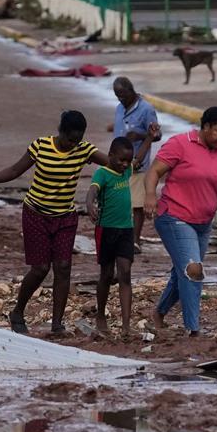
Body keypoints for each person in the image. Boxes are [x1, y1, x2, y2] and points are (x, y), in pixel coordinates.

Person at [0, 110, 107, 336]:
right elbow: (15, 170)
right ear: (60, 132)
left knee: (63, 267)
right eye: (70, 139)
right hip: (35, 214)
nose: (73, 144)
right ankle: (18, 311)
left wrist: (132, 155)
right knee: (41, 268)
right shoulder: (40, 146)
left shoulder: (84, 150)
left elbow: (113, 163)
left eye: (78, 140)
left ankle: (57, 324)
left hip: (65, 217)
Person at [144, 107, 217, 336]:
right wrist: (149, 196)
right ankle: (192, 330)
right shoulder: (180, 144)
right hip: (174, 216)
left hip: (203, 223)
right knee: (193, 270)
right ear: (205, 127)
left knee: (183, 272)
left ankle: (158, 314)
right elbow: (154, 171)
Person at [85, 137, 136, 337]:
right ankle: (101, 315)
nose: (124, 165)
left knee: (125, 273)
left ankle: (126, 325)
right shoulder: (103, 173)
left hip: (126, 229)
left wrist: (149, 138)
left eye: (128, 161)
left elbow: (138, 158)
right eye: (121, 160)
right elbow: (93, 190)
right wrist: (89, 204)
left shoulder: (128, 170)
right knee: (106, 274)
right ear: (111, 156)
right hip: (106, 230)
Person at [112, 76, 162, 252]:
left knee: (137, 204)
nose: (120, 99)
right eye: (117, 95)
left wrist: (140, 135)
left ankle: (135, 240)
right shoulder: (119, 108)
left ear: (131, 91)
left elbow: (157, 134)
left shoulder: (146, 109)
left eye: (122, 95)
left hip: (138, 163)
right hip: (118, 163)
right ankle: (121, 237)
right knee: (121, 201)